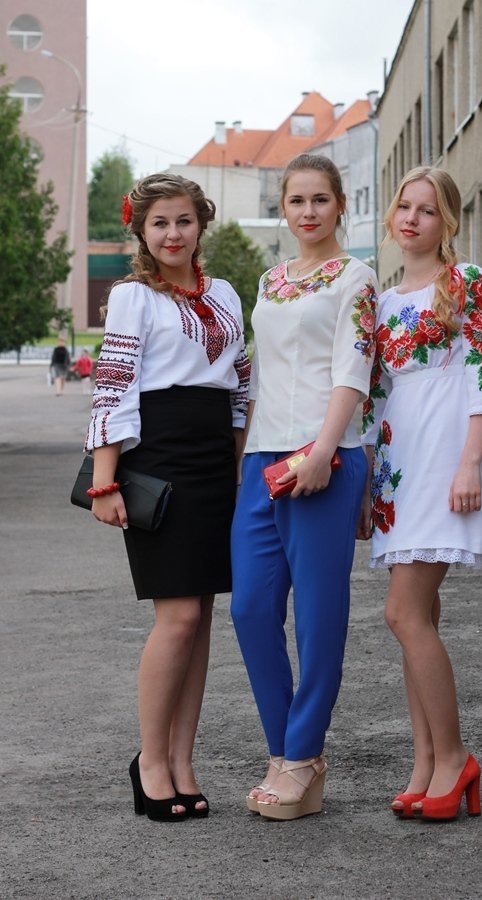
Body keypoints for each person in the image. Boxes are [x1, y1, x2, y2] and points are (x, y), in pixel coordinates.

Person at [84, 173, 250, 822]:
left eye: (183, 220)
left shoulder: (226, 293)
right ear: (142, 231)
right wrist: (105, 480)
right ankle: (150, 760)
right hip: (157, 456)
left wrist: (240, 469)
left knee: (201, 616)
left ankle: (183, 760)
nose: (173, 234)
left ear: (200, 223)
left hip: (214, 460)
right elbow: (113, 385)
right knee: (176, 617)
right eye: (160, 223)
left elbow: (240, 386)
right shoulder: (133, 297)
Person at [230, 153, 379, 820]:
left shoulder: (356, 278)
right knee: (250, 609)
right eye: (297, 200)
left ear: (340, 204)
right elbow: (261, 371)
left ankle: (299, 756)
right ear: (284, 209)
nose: (309, 211)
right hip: (263, 459)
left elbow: (354, 368)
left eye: (321, 199)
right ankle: (290, 753)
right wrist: (243, 453)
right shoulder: (270, 279)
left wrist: (323, 449)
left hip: (325, 458)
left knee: (318, 618)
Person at [359, 166, 482, 821]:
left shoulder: (467, 281)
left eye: (426, 209)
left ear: (446, 220)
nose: (411, 219)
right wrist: (368, 481)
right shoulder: (383, 303)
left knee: (403, 613)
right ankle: (424, 763)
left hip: (447, 456)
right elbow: (375, 397)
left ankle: (454, 757)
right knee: (418, 616)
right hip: (400, 463)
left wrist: (471, 462)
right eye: (404, 207)